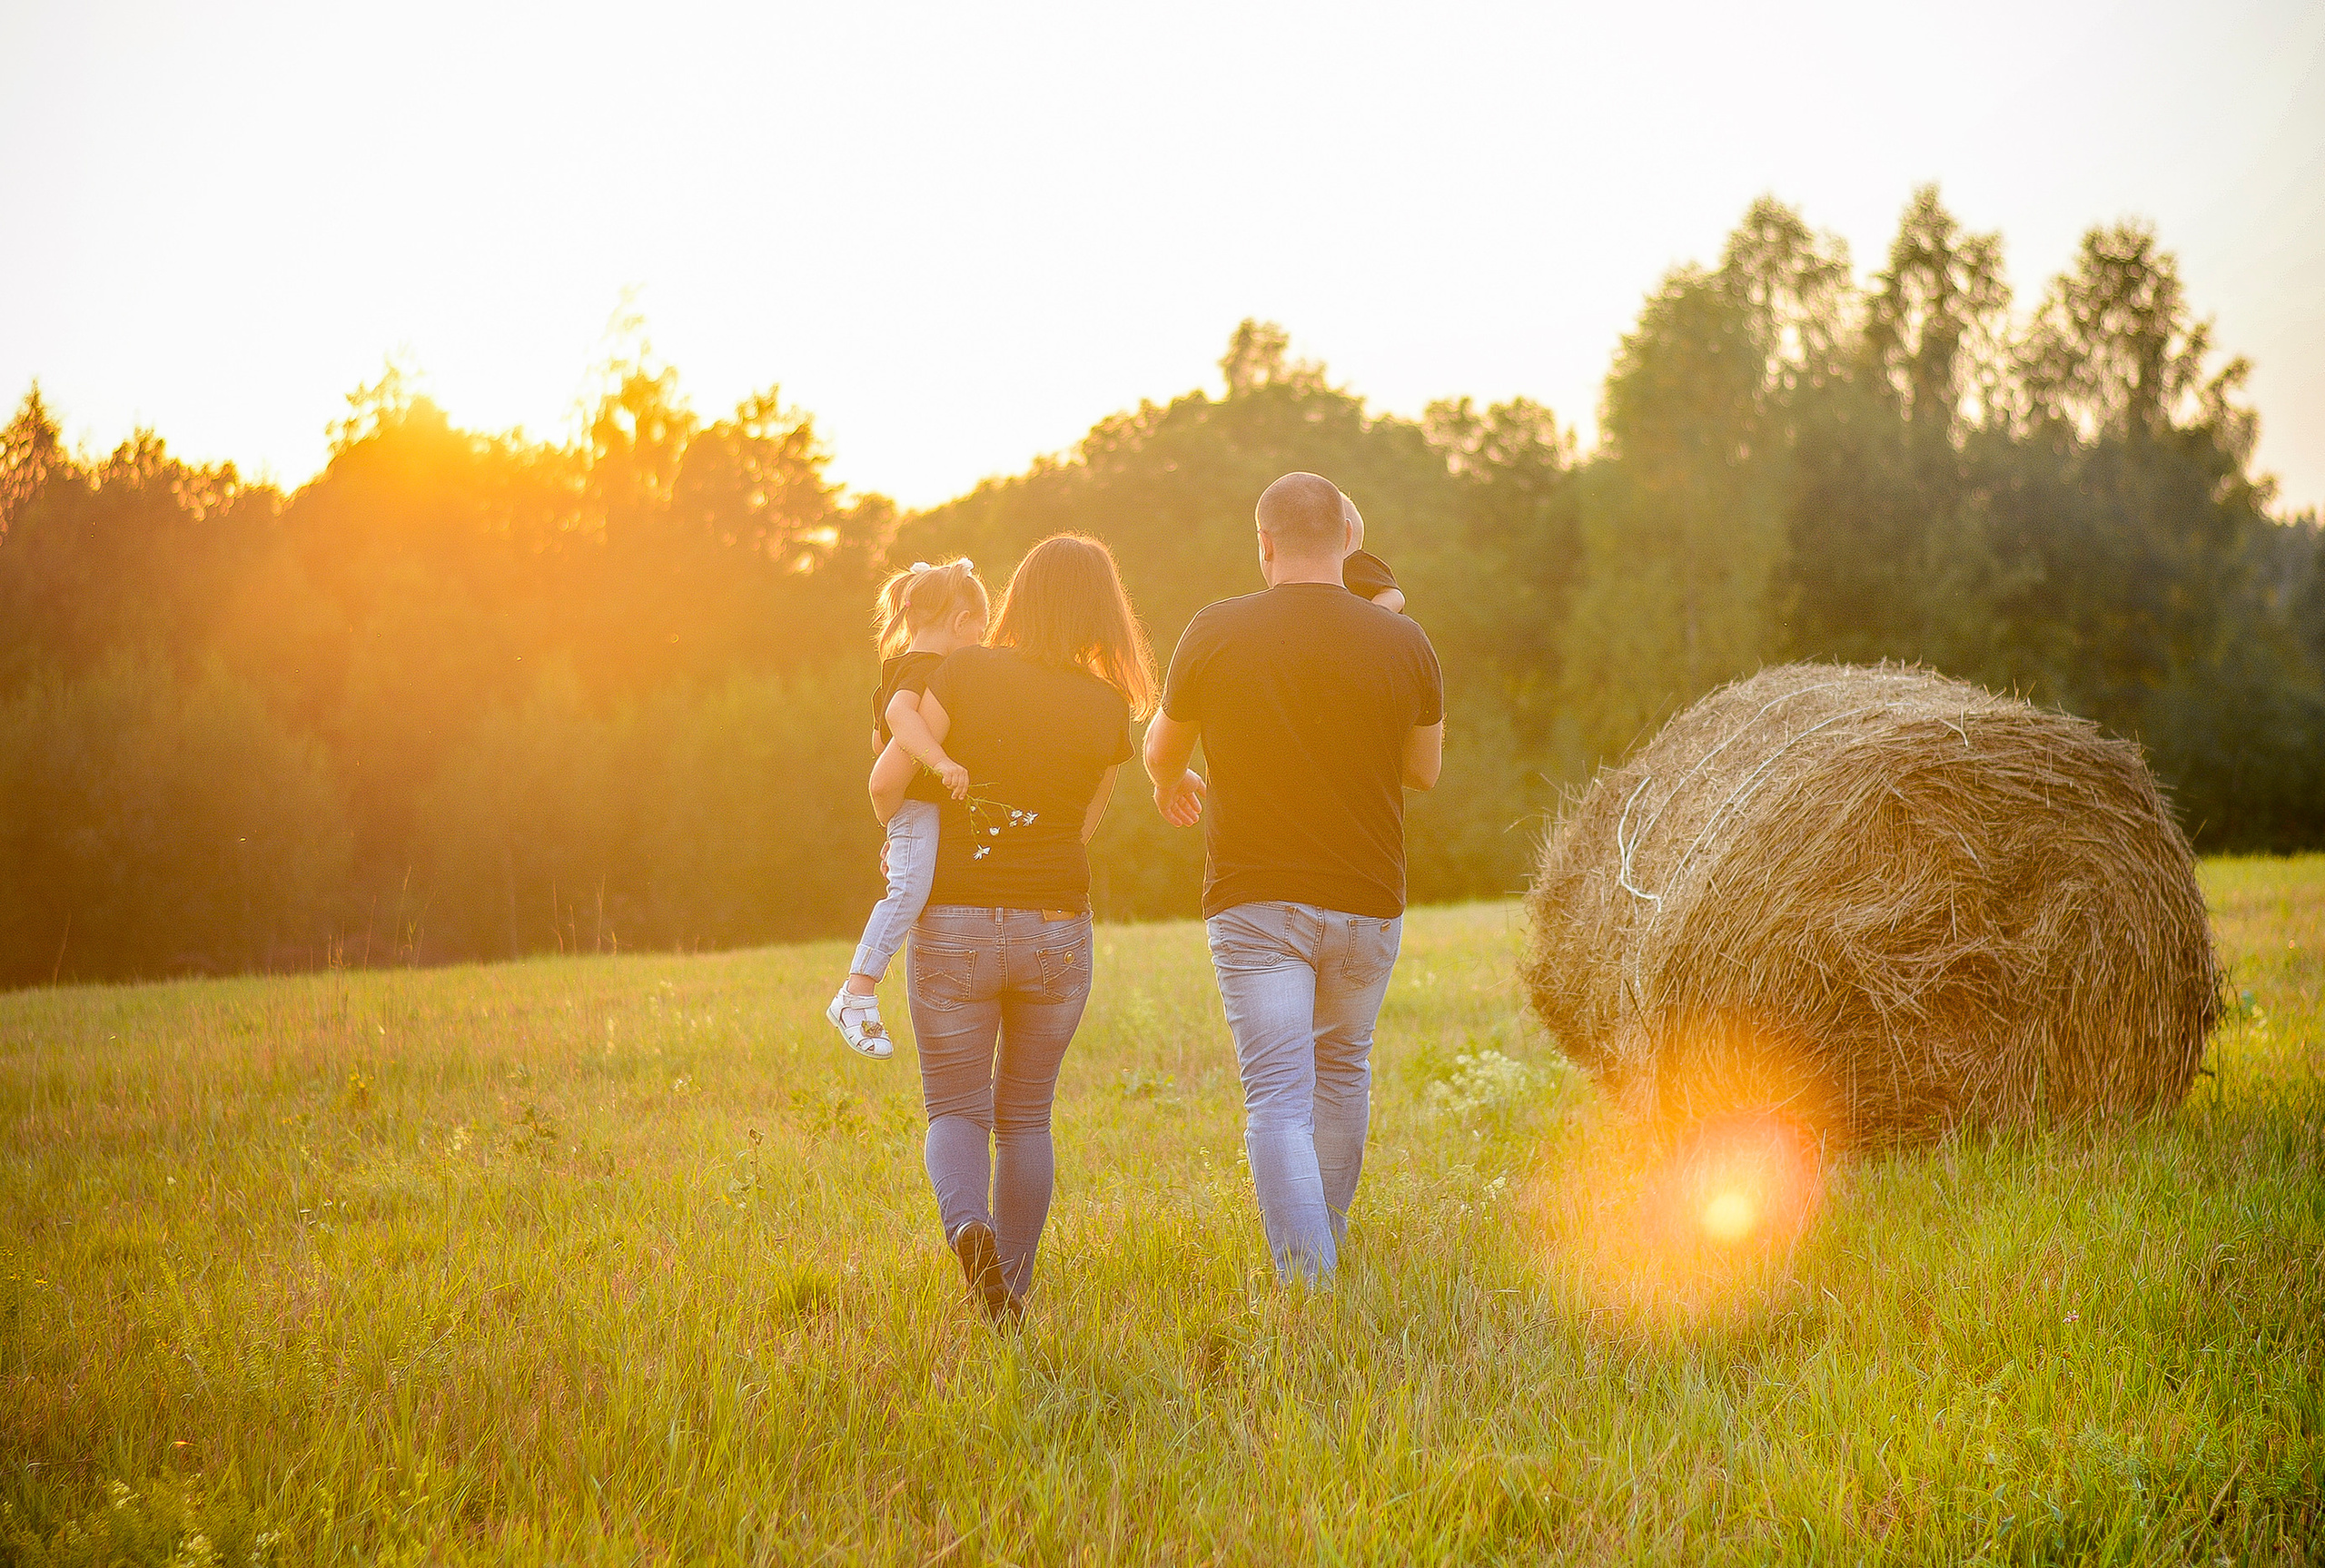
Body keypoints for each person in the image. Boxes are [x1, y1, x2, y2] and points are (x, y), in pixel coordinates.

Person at [1143, 472, 1443, 1284]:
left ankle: (1309, 1284)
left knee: (1278, 1090)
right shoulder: (1406, 642)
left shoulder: (1214, 629)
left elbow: (1161, 747)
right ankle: (1326, 1240)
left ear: (1265, 542)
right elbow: (1425, 769)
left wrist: (1170, 782)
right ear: (1347, 541)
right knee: (1343, 1067)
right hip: (1368, 898)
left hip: (1257, 899)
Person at [870, 533, 1157, 1321]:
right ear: (1105, 610)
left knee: (955, 1109)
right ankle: (1014, 1295)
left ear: (1019, 596)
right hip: (1056, 925)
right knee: (1026, 1115)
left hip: (954, 920)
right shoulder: (1109, 708)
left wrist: (901, 846)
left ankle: (969, 1229)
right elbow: (1084, 826)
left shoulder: (961, 671)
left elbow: (892, 778)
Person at [826, 559, 988, 1060]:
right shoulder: (925, 669)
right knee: (907, 892)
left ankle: (861, 987)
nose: (980, 644)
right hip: (918, 804)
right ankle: (857, 989)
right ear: (961, 624)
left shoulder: (899, 667)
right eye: (980, 632)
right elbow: (897, 718)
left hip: (911, 808)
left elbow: (878, 739)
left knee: (912, 889)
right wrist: (939, 759)